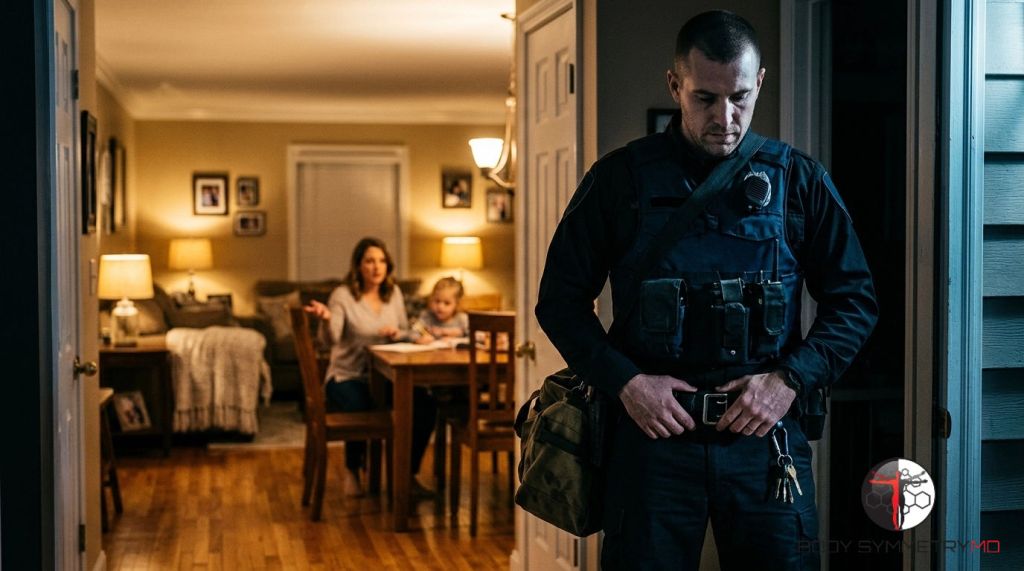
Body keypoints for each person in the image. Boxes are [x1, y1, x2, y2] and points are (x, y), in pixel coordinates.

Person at [535, 10, 878, 570]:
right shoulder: (620, 180)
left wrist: (789, 380)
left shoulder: (799, 181)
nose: (726, 117)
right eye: (704, 99)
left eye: (741, 97)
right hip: (652, 439)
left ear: (760, 82)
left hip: (765, 439)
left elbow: (856, 302)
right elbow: (559, 302)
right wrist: (626, 383)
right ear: (675, 85)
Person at [305, 237, 437, 497]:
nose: (376, 267)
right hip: (347, 377)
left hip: (386, 375)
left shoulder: (394, 293)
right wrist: (326, 319)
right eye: (369, 261)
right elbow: (329, 339)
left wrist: (398, 333)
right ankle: (353, 469)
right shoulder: (343, 295)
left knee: (424, 404)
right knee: (361, 406)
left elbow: (402, 331)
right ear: (358, 266)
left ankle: (407, 475)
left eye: (381, 261)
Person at [409, 276, 469, 344]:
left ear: (457, 304)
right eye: (437, 301)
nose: (440, 307)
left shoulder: (462, 319)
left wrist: (456, 338)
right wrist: (418, 339)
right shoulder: (427, 316)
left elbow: (478, 337)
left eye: (447, 303)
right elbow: (412, 333)